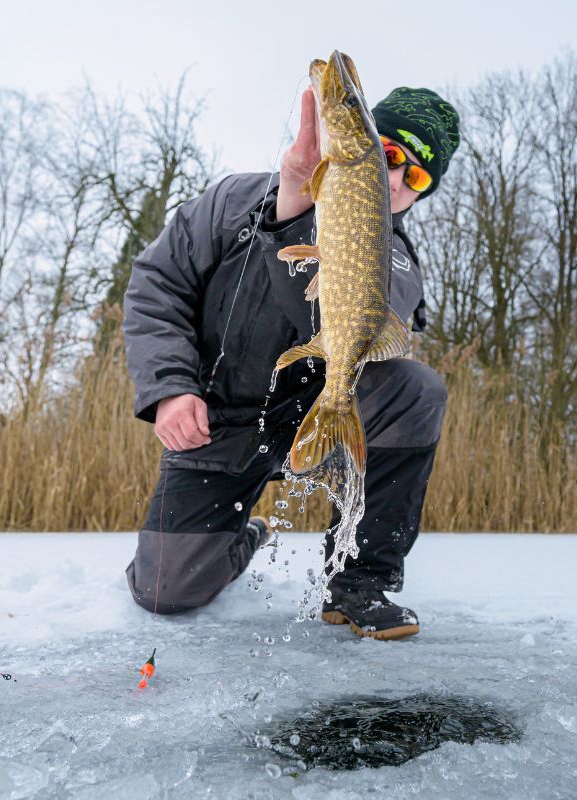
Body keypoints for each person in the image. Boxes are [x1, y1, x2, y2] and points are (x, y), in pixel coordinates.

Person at [123, 85, 460, 640]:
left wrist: (297, 219)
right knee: (164, 592)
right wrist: (169, 388)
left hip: (322, 423)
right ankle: (245, 536)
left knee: (414, 390)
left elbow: (342, 324)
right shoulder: (231, 202)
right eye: (390, 155)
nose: (396, 179)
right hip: (219, 423)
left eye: (417, 177)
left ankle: (357, 583)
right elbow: (157, 286)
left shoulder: (394, 257)